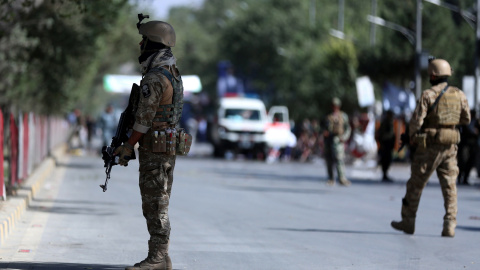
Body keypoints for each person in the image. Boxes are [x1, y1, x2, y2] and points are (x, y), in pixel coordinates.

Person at [114, 15, 183, 270]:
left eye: (144, 40)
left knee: (155, 204)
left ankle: (157, 258)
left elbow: (143, 120)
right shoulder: (172, 72)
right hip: (162, 147)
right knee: (158, 200)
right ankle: (162, 258)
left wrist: (128, 145)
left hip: (156, 150)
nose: (141, 45)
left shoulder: (155, 78)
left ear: (153, 44)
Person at [391, 58, 470, 237]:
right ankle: (450, 225)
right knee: (450, 187)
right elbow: (466, 119)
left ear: (433, 75)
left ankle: (408, 221)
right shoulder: (459, 94)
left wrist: (412, 137)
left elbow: (416, 122)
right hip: (450, 147)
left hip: (429, 147)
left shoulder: (428, 95)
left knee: (416, 184)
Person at [322, 97, 351, 186]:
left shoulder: (343, 116)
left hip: (338, 140)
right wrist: (324, 133)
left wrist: (344, 137)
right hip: (329, 140)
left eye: (336, 105)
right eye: (333, 105)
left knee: (339, 159)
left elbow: (348, 129)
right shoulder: (328, 116)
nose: (335, 107)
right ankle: (331, 178)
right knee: (329, 160)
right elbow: (322, 128)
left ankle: (342, 178)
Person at [457, 109, 479, 185]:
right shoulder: (464, 122)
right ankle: (460, 177)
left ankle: (465, 178)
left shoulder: (476, 122)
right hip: (464, 144)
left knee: (470, 162)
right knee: (462, 162)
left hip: (472, 145)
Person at [376, 110, 395, 182]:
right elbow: (382, 134)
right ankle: (384, 175)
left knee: (388, 160)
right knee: (385, 160)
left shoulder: (390, 122)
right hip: (385, 144)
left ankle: (385, 174)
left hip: (388, 144)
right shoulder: (385, 122)